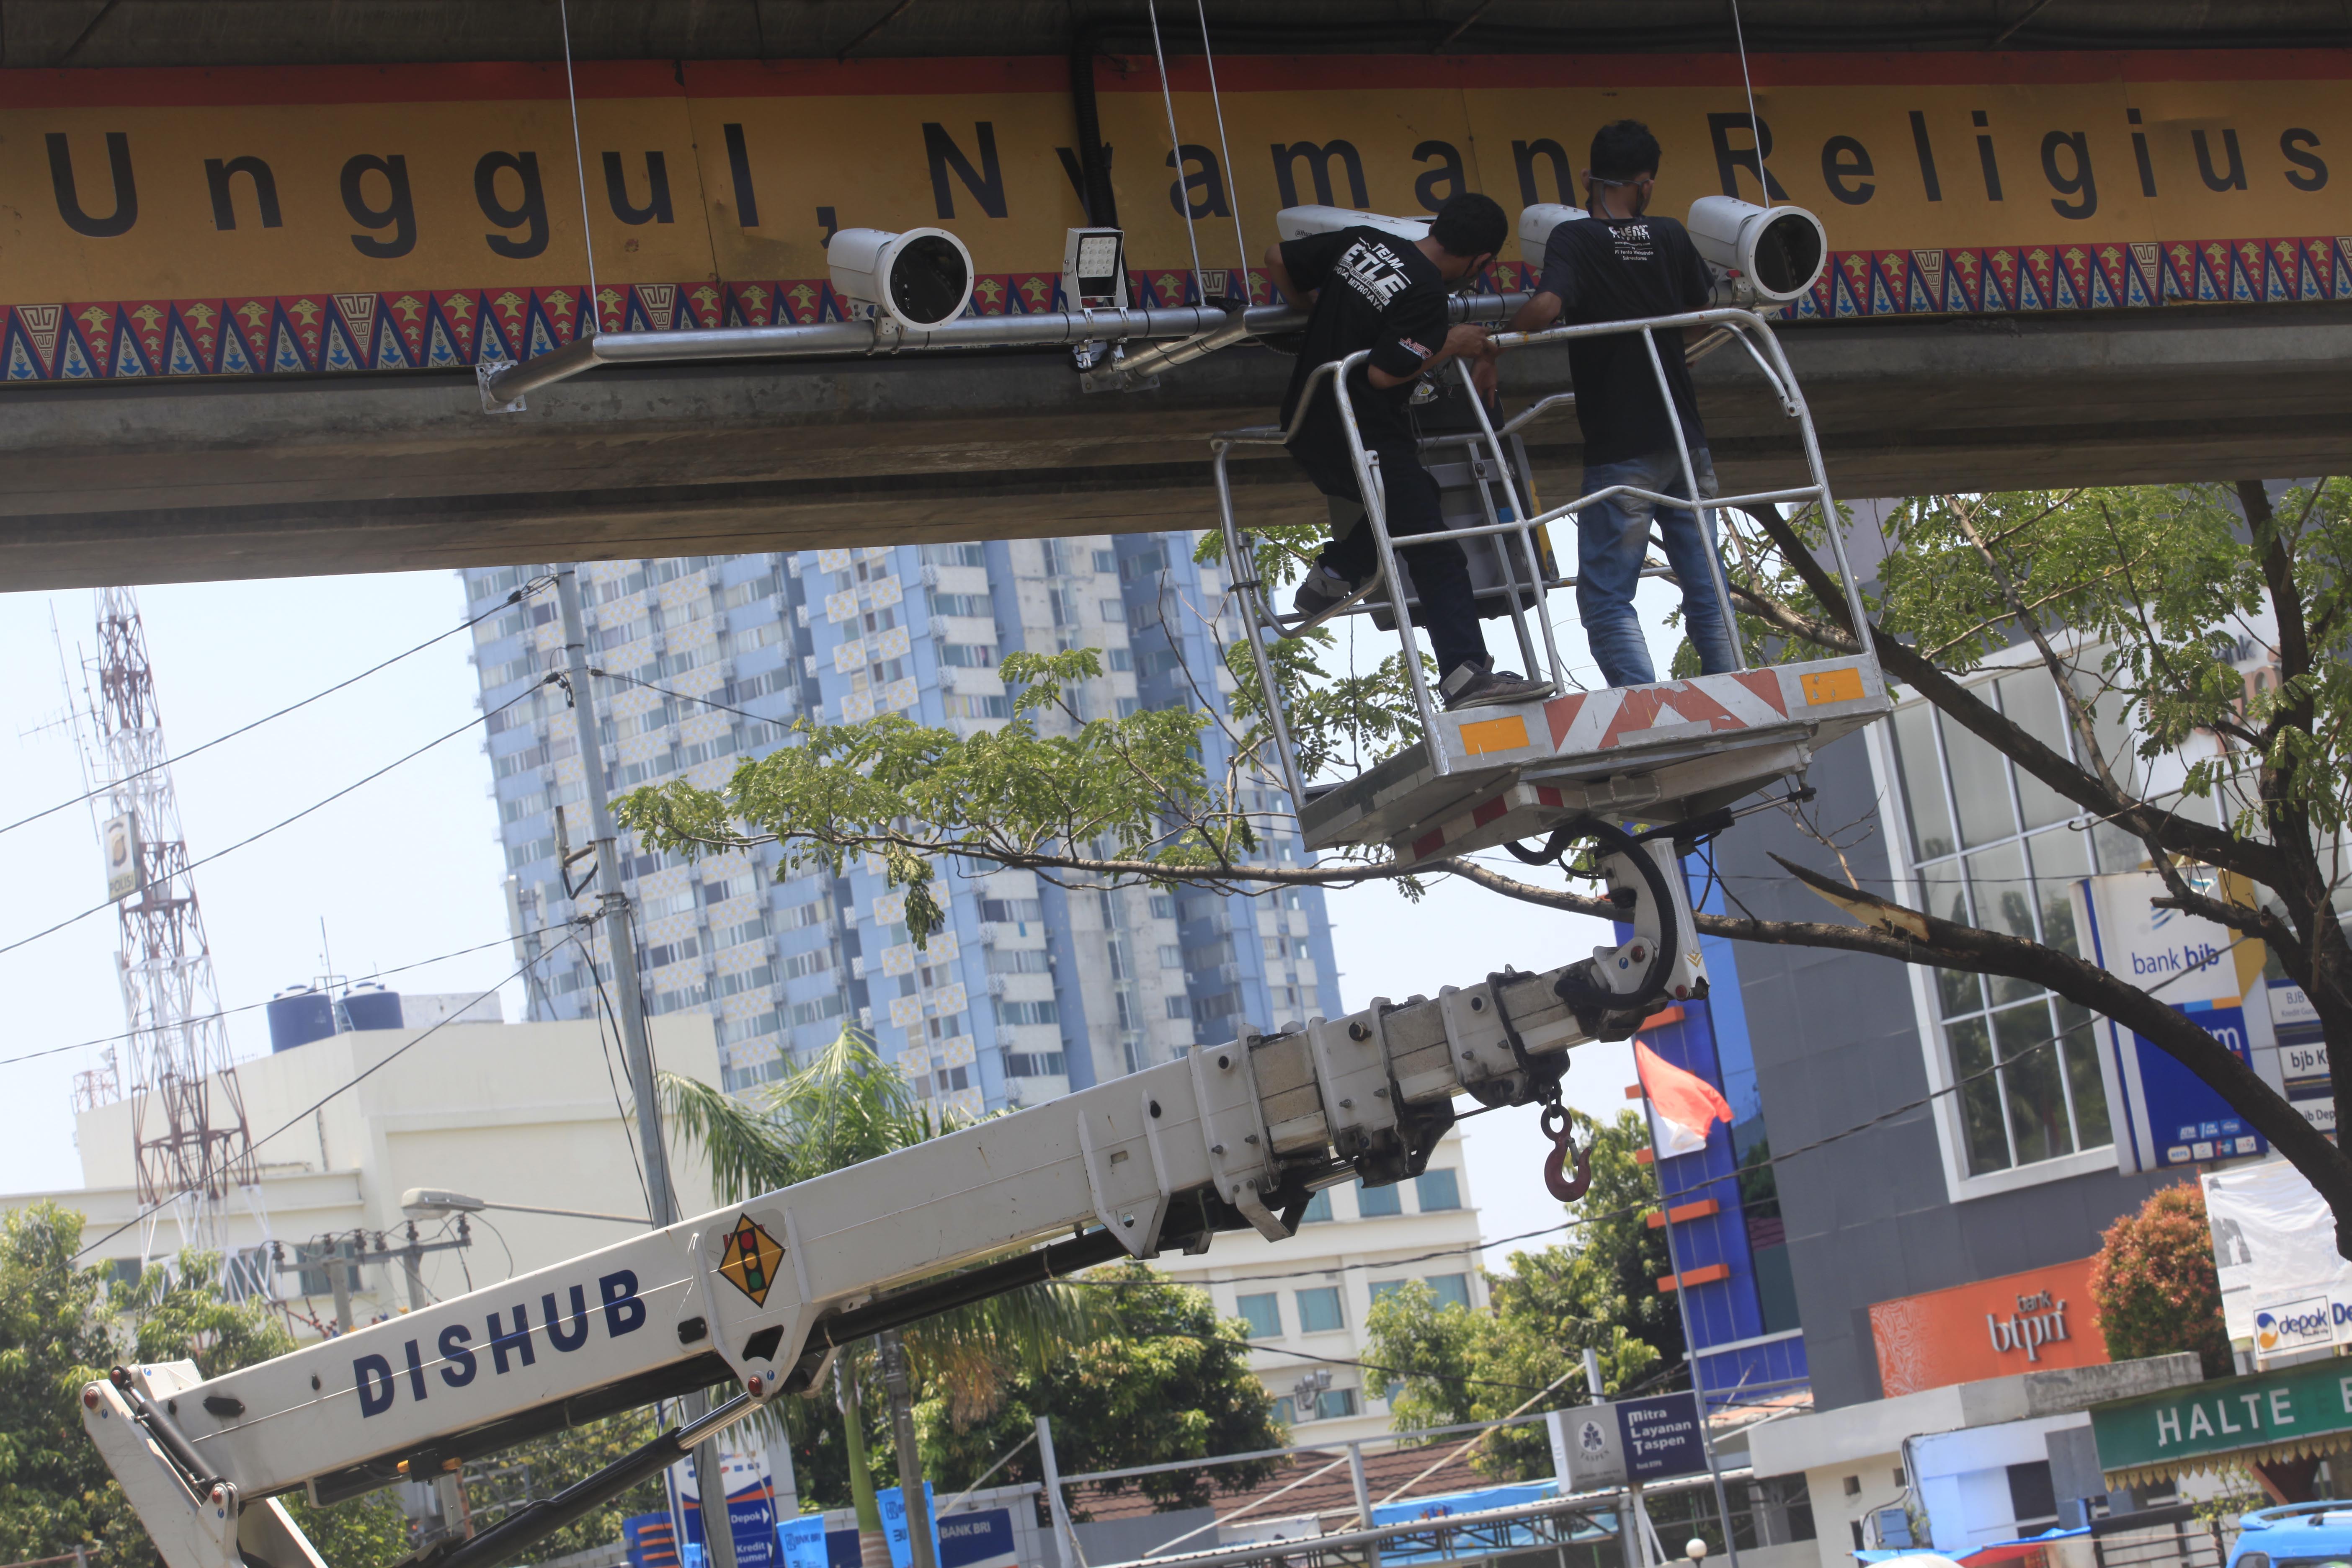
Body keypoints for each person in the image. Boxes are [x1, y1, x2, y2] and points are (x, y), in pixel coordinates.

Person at [1266, 191, 1552, 712]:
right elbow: (1384, 372)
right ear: (1481, 261)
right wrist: (1453, 343)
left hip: (1308, 421)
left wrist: (1307, 309)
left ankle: (1333, 575)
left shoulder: (1364, 243)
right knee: (1435, 550)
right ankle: (1465, 676)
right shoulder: (1425, 292)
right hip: (1364, 434)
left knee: (1417, 497)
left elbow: (1278, 258)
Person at [1512, 119, 1737, 689]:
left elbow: (1546, 308)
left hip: (1621, 443)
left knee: (1608, 597)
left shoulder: (1574, 238)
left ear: (1587, 177)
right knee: (1706, 582)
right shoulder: (1669, 234)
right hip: (1684, 438)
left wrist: (1499, 337)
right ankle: (1729, 686)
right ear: (1646, 183)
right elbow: (1700, 313)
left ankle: (1644, 702)